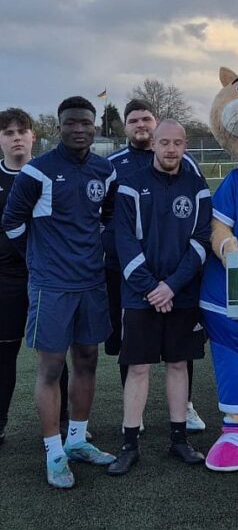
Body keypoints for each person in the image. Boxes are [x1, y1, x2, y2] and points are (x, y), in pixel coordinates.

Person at [2, 96, 116, 488]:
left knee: (87, 360)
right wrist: (38, 261)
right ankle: (53, 452)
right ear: (59, 126)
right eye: (71, 123)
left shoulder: (105, 170)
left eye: (86, 122)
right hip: (52, 287)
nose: (79, 129)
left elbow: (108, 217)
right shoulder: (37, 171)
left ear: (95, 126)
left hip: (91, 283)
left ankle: (78, 440)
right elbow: (12, 222)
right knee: (51, 369)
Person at [107, 120, 211, 475]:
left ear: (185, 146)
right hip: (140, 295)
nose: (170, 149)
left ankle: (179, 440)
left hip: (181, 294)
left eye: (177, 143)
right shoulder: (130, 187)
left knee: (179, 364)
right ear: (153, 143)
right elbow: (124, 242)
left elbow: (201, 242)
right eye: (164, 142)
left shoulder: (197, 186)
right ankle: (129, 444)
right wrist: (153, 287)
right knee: (137, 367)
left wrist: (172, 286)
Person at [0, 108, 37, 446]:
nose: (15, 138)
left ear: (32, 136)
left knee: (52, 354)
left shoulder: (49, 175)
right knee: (4, 353)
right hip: (7, 282)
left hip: (45, 278)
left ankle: (65, 424)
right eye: (8, 132)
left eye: (21, 131)